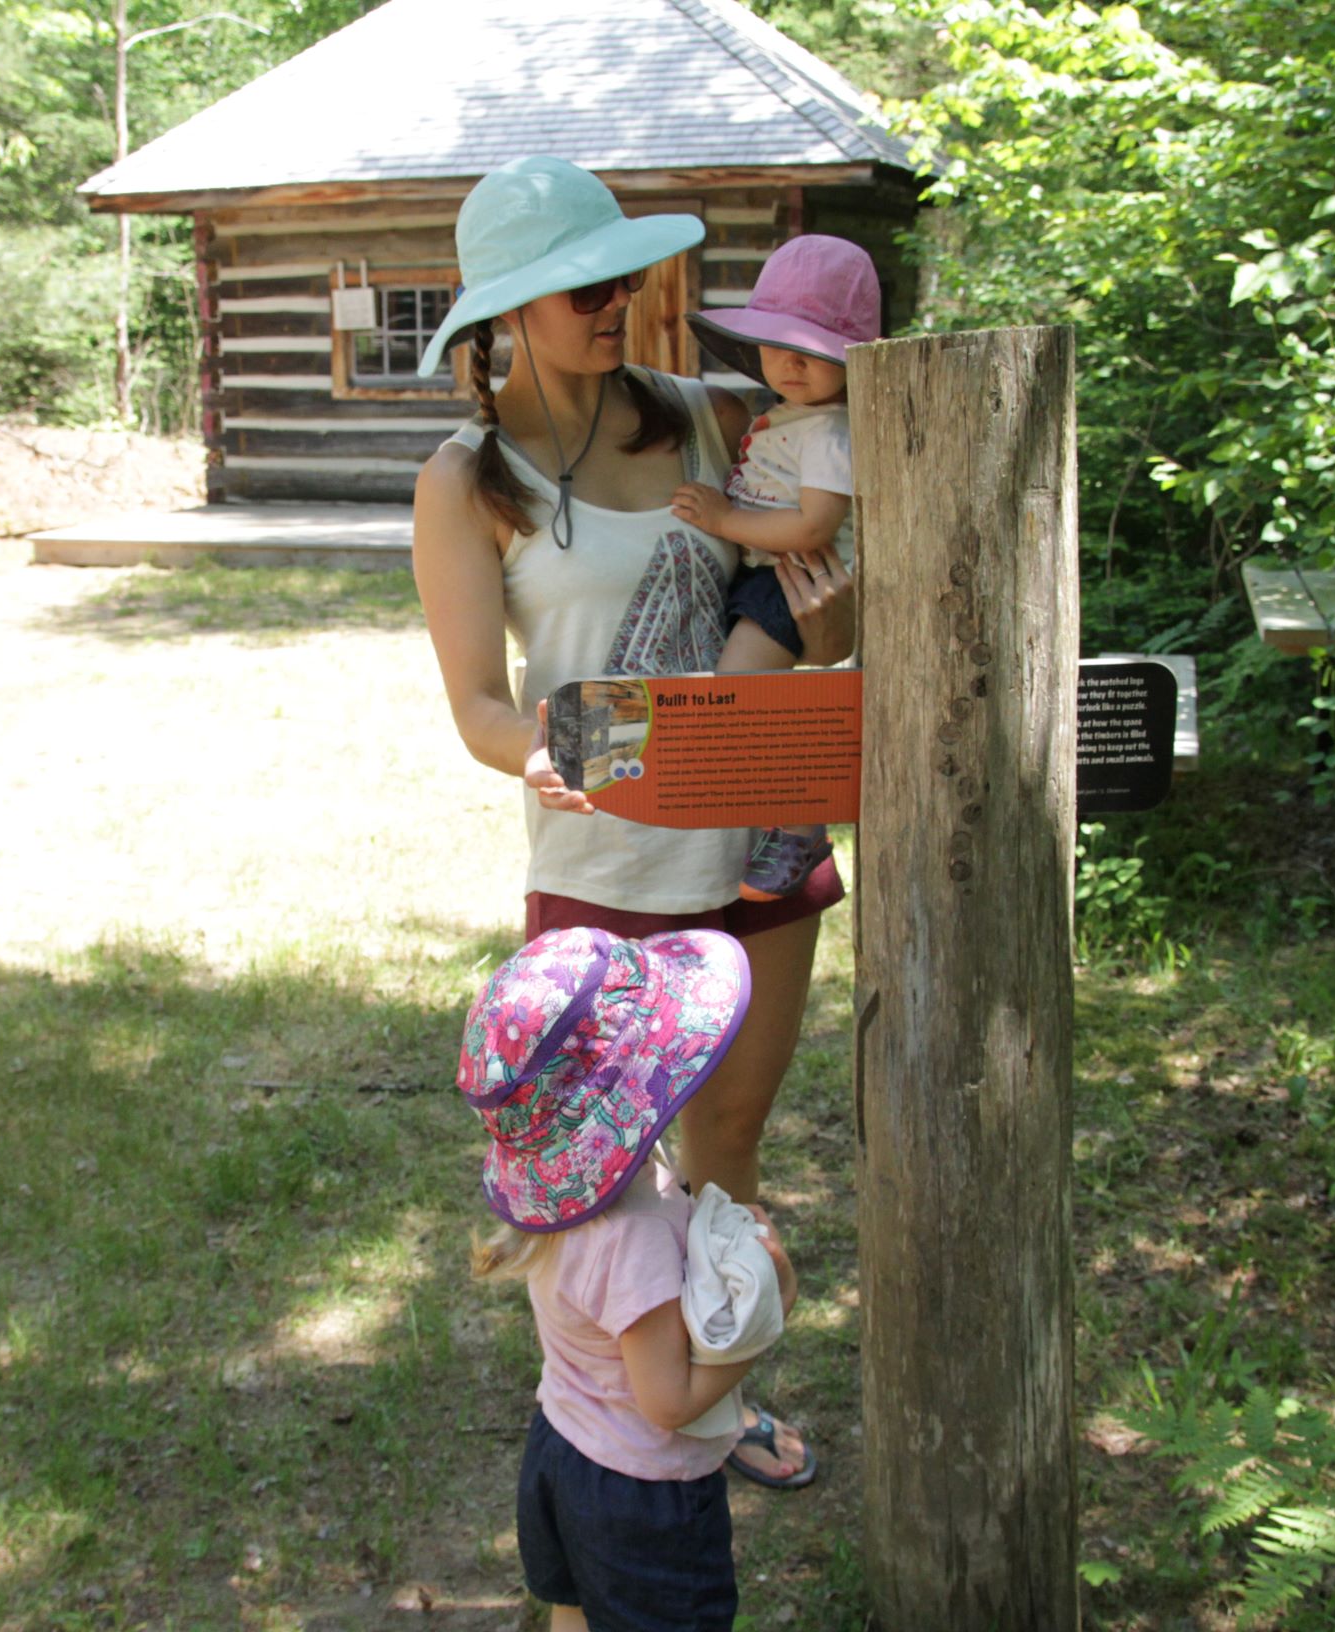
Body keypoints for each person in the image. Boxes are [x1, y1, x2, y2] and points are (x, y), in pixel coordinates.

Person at [411, 155, 849, 1490]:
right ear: (509, 309)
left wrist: (833, 624)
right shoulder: (466, 476)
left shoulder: (711, 420)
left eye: (620, 277)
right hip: (608, 858)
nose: (616, 302)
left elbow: (826, 585)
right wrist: (537, 754)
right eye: (580, 288)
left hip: (762, 830)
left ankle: (720, 1390)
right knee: (603, 1169)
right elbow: (482, 707)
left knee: (731, 1133)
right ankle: (612, 1403)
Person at [461, 925, 800, 1632]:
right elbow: (669, 1401)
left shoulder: (568, 1202)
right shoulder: (634, 1235)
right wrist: (770, 1312)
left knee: (574, 1609)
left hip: (560, 1450)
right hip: (640, 1495)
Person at [668, 235, 881, 901]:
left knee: (744, 691)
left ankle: (798, 827)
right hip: (765, 577)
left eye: (812, 352)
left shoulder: (831, 432)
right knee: (749, 693)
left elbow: (813, 526)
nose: (789, 364)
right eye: (775, 345)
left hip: (790, 582)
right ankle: (774, 818)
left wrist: (722, 521)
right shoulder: (794, 415)